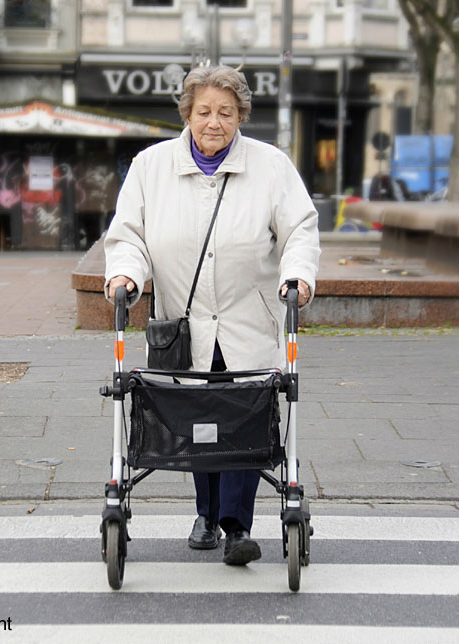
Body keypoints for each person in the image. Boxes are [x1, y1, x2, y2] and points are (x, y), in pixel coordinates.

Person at [103, 65, 320, 567]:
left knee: (243, 417)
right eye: (204, 111)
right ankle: (206, 513)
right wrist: (126, 277)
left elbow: (300, 231)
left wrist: (299, 276)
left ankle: (235, 524)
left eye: (226, 112)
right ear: (188, 113)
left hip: (250, 318)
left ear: (241, 115)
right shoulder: (150, 167)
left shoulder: (271, 166)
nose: (214, 122)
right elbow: (128, 235)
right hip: (185, 320)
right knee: (199, 417)